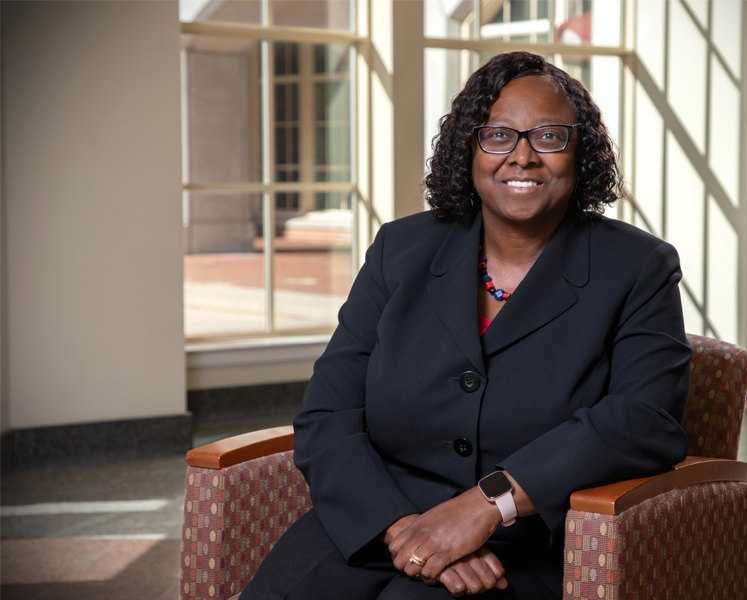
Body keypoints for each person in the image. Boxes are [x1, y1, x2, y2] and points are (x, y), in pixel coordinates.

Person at [242, 51, 691, 600]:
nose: (522, 157)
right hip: (370, 530)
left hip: (523, 544)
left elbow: (645, 420)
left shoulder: (638, 266)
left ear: (581, 153)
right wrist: (404, 530)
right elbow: (327, 414)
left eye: (548, 136)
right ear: (469, 148)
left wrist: (483, 506)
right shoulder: (400, 251)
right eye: (498, 136)